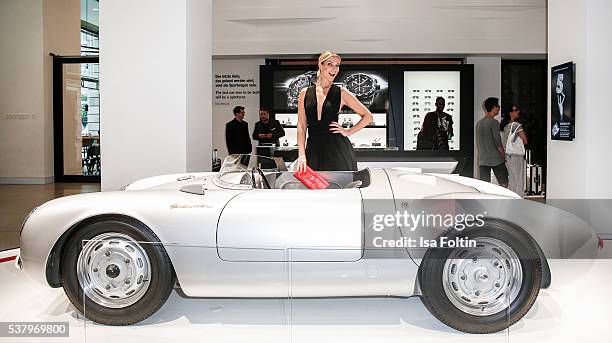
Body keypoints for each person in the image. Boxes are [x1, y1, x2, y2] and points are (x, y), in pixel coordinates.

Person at [295, 51, 374, 172]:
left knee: (339, 188)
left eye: (337, 65)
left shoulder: (341, 93)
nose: (334, 69)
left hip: (337, 150)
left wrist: (348, 132)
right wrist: (301, 154)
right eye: (330, 64)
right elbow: (301, 126)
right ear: (320, 65)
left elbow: (368, 116)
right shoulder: (304, 93)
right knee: (314, 189)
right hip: (313, 150)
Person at [476, 97, 508, 187]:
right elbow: (498, 142)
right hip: (495, 159)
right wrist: (503, 156)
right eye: (498, 106)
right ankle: (503, 200)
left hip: (483, 159)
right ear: (494, 107)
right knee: (504, 182)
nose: (499, 108)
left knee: (485, 186)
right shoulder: (494, 122)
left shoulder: (479, 123)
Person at [501, 104, 528, 196]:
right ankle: (518, 198)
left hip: (507, 156)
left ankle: (511, 197)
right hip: (516, 156)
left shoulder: (503, 126)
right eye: (515, 110)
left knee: (511, 179)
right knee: (518, 179)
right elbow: (525, 140)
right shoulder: (516, 125)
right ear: (510, 113)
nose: (518, 112)